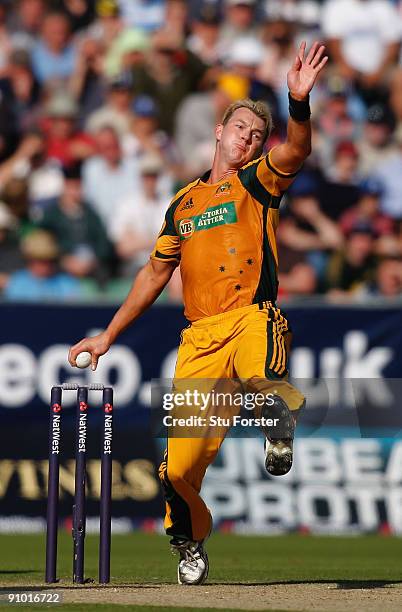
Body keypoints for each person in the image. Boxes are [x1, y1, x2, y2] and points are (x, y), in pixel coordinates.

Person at [68, 41, 328, 585]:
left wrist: (297, 103)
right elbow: (154, 274)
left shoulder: (257, 181)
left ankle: (277, 425)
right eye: (240, 130)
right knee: (178, 468)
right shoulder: (182, 204)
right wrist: (109, 334)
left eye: (257, 135)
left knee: (263, 362)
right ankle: (189, 539)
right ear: (218, 132)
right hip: (200, 341)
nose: (249, 139)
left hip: (249, 318)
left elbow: (297, 151)